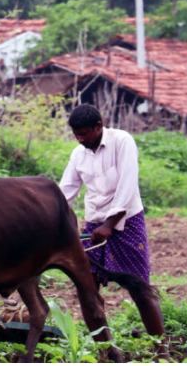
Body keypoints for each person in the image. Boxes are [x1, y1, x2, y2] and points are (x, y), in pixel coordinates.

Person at [59, 104, 151, 285]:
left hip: (126, 221)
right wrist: (49, 214)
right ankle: (94, 305)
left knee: (138, 283)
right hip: (95, 223)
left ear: (98, 127)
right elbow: (66, 190)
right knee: (87, 279)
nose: (79, 139)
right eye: (76, 135)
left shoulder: (121, 141)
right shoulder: (78, 154)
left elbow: (127, 184)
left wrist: (109, 225)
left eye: (84, 134)